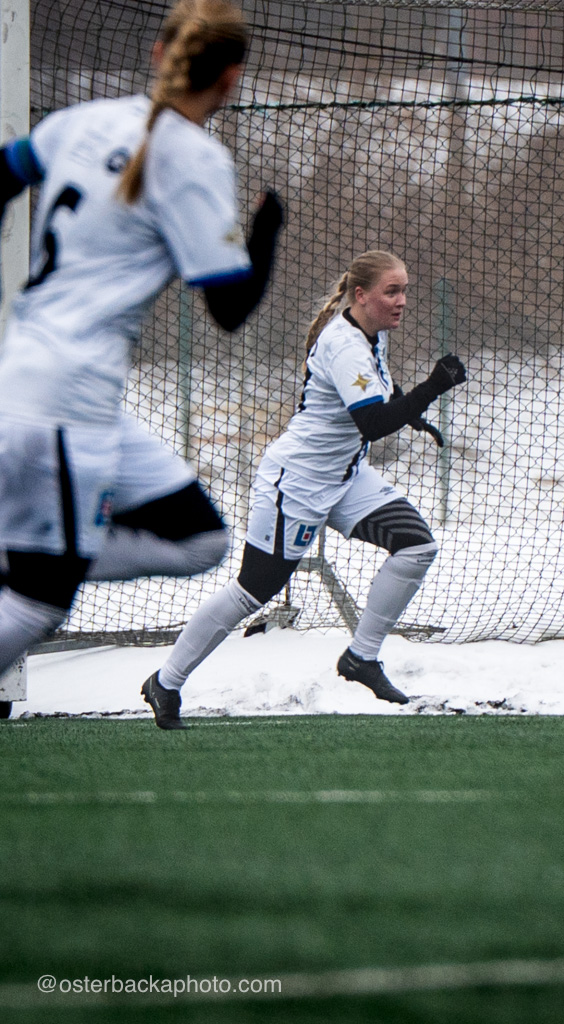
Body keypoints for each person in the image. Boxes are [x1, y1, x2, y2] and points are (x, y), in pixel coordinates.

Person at [0, 0, 283, 679]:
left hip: (54, 387)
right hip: (63, 402)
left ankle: (36, 552)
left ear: (159, 54)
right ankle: (34, 559)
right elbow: (229, 309)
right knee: (38, 605)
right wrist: (266, 234)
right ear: (232, 78)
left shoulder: (82, 120)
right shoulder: (194, 158)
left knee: (200, 540)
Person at [142, 250, 466, 728]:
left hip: (343, 477)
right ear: (362, 295)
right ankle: (165, 682)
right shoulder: (344, 345)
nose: (402, 301)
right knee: (253, 591)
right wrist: (432, 387)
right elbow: (373, 423)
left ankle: (361, 657)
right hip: (295, 484)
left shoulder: (370, 332)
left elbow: (378, 390)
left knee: (416, 545)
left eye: (405, 291)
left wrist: (410, 410)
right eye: (392, 291)